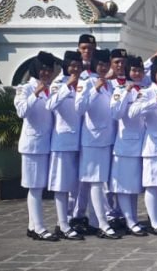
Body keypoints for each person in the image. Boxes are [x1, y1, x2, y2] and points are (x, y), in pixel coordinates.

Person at [75, 49, 121, 239]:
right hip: (92, 140)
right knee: (95, 180)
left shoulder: (109, 85)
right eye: (100, 65)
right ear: (94, 65)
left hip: (107, 139)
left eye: (105, 65)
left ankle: (95, 222)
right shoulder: (85, 83)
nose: (103, 68)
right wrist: (94, 89)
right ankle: (102, 223)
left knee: (101, 181)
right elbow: (79, 108)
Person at [16, 51, 58, 241]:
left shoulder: (52, 88)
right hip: (32, 144)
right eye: (43, 69)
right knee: (34, 187)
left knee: (40, 186)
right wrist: (35, 93)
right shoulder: (24, 88)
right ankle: (40, 227)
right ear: (36, 70)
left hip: (47, 144)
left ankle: (32, 226)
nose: (46, 73)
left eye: (49, 70)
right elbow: (21, 111)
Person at [131, 57, 157, 235]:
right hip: (153, 145)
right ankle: (154, 222)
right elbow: (133, 112)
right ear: (154, 74)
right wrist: (153, 102)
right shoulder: (147, 92)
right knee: (153, 185)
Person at [46, 51, 85, 240]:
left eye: (78, 66)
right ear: (66, 67)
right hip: (62, 142)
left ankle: (72, 219)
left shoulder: (84, 83)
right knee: (62, 185)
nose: (75, 69)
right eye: (72, 66)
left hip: (81, 142)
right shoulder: (57, 84)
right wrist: (66, 87)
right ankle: (62, 224)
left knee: (76, 186)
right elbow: (50, 105)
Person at [109, 56, 149, 236]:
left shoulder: (145, 90)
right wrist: (126, 92)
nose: (137, 73)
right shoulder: (119, 90)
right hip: (126, 144)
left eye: (140, 70)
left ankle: (133, 218)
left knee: (133, 186)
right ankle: (130, 220)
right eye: (133, 70)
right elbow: (116, 113)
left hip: (142, 143)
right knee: (124, 186)